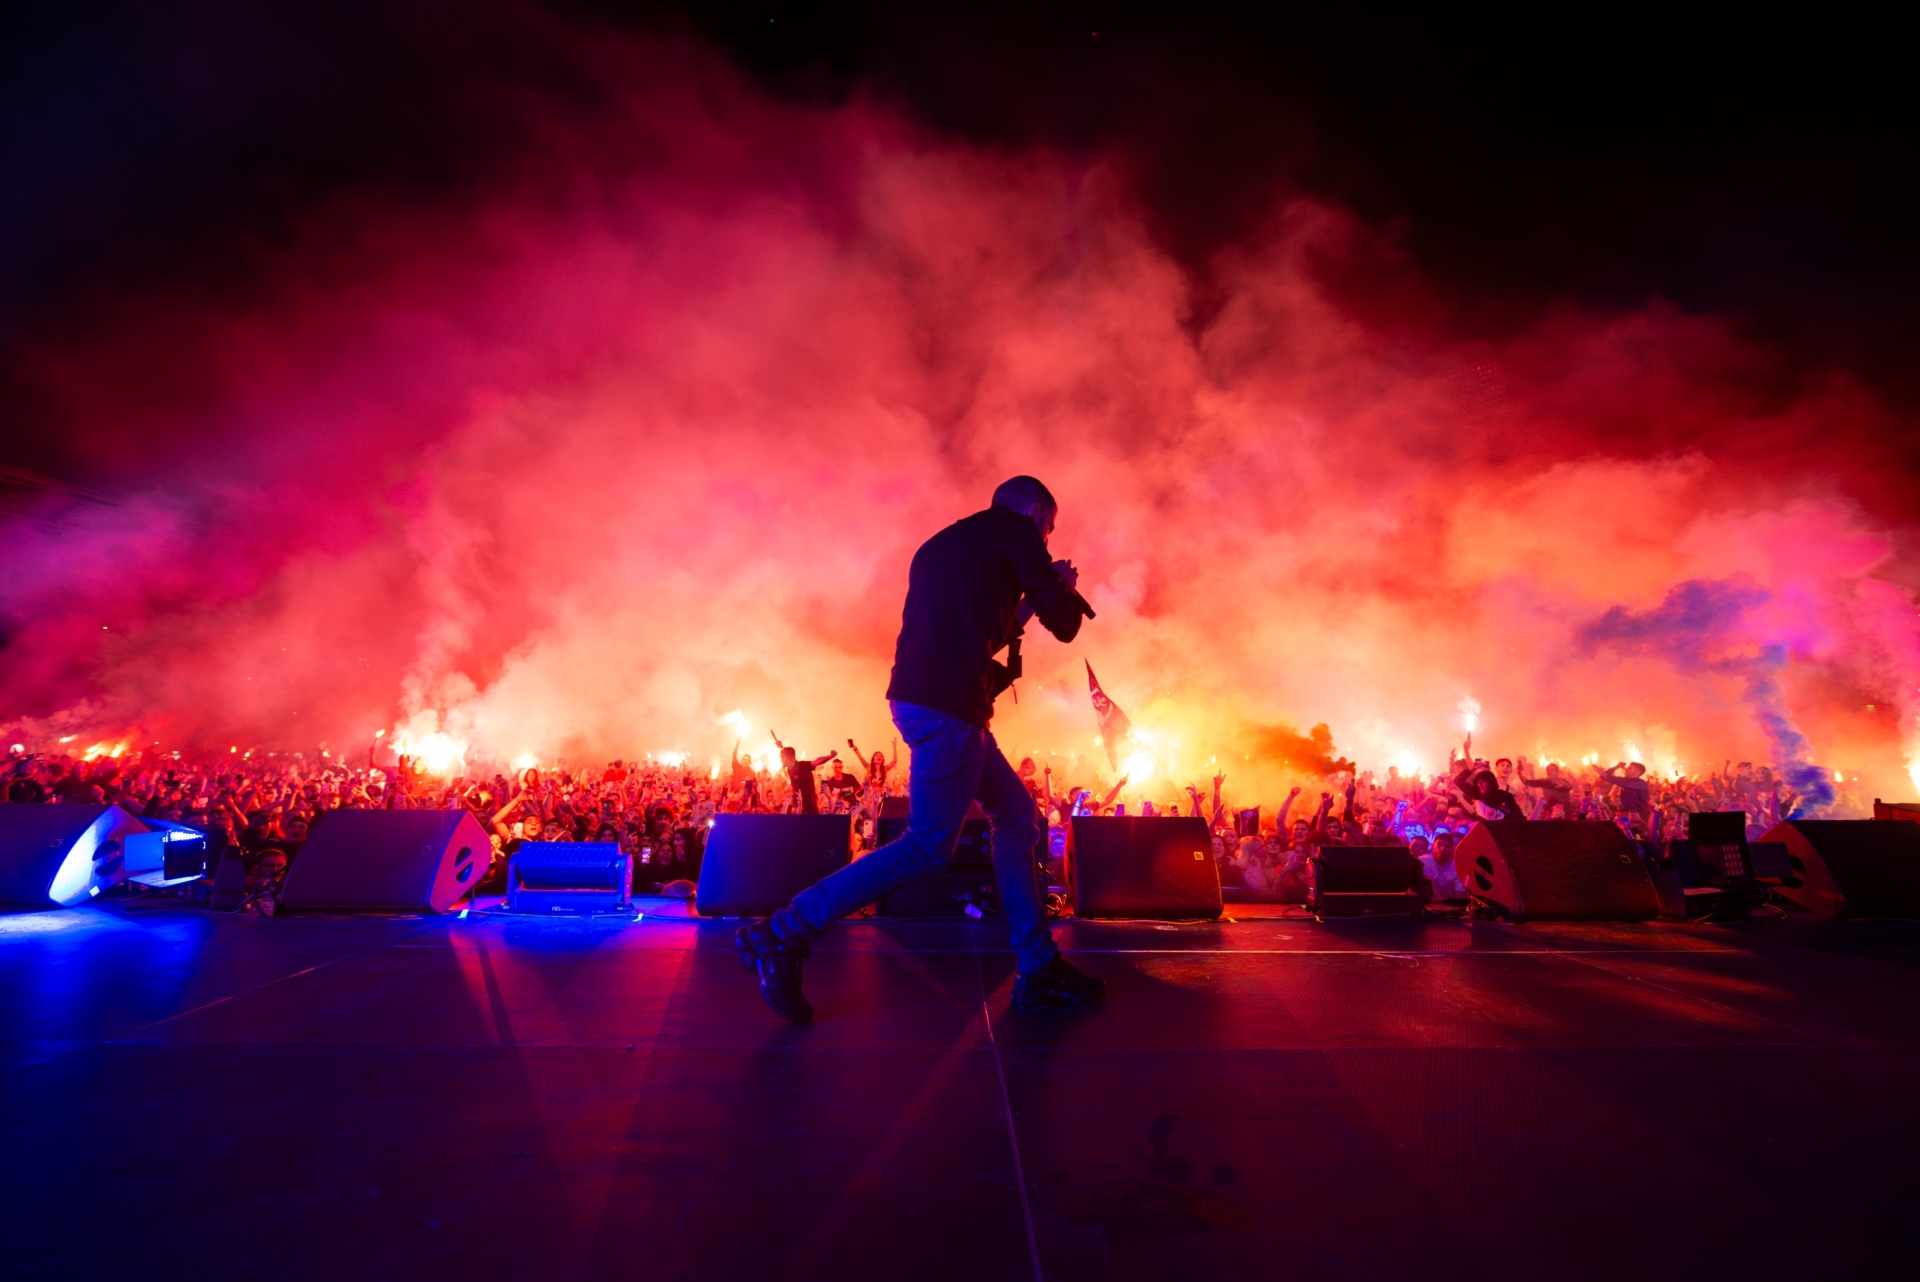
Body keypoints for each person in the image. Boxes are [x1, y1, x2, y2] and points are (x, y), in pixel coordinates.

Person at [735, 475, 1104, 1021]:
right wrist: (1059, 583)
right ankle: (783, 931)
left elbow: (990, 633)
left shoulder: (941, 547)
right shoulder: (1017, 530)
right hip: (951, 709)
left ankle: (1037, 965)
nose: (1046, 542)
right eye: (1047, 530)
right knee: (927, 849)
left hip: (929, 700)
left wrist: (1025, 601)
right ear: (1031, 512)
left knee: (1017, 816)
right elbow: (1067, 625)